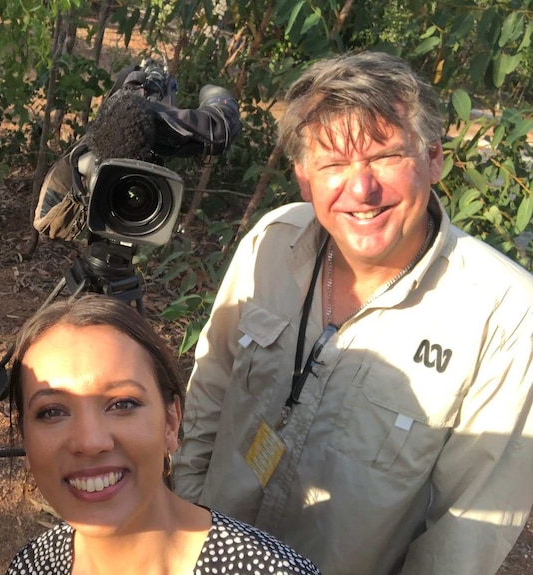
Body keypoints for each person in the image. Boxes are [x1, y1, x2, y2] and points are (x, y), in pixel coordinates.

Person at [173, 50, 533, 575]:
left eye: (385, 156)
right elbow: (211, 386)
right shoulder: (273, 244)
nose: (361, 189)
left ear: (433, 157)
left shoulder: (505, 315)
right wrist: (183, 517)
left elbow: (463, 537)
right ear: (303, 177)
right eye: (334, 164)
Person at [5, 294, 321, 575]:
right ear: (26, 443)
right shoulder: (34, 564)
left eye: (122, 404)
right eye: (52, 412)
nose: (90, 442)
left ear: (171, 422)